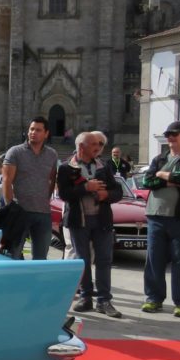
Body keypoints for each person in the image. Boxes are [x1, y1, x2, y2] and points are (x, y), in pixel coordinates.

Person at [140, 121, 180, 318]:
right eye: (168, 135)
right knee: (154, 259)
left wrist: (164, 177)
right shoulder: (159, 158)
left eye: (175, 134)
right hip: (155, 216)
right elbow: (147, 181)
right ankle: (153, 298)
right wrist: (169, 178)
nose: (170, 138)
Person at [59, 132, 124, 318]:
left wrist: (106, 195)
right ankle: (86, 297)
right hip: (79, 221)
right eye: (94, 144)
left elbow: (117, 191)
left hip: (102, 220)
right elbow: (64, 194)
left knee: (104, 260)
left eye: (99, 143)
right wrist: (85, 188)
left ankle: (104, 300)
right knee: (83, 260)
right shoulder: (66, 168)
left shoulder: (104, 166)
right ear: (82, 147)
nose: (98, 147)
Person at [1, 117, 58, 260]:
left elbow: (52, 180)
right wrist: (11, 207)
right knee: (13, 254)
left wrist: (46, 199)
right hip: (20, 211)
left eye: (38, 130)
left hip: (43, 213)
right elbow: (7, 181)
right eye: (31, 129)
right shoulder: (15, 152)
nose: (33, 132)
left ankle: (36, 282)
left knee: (40, 257)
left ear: (46, 134)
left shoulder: (52, 154)